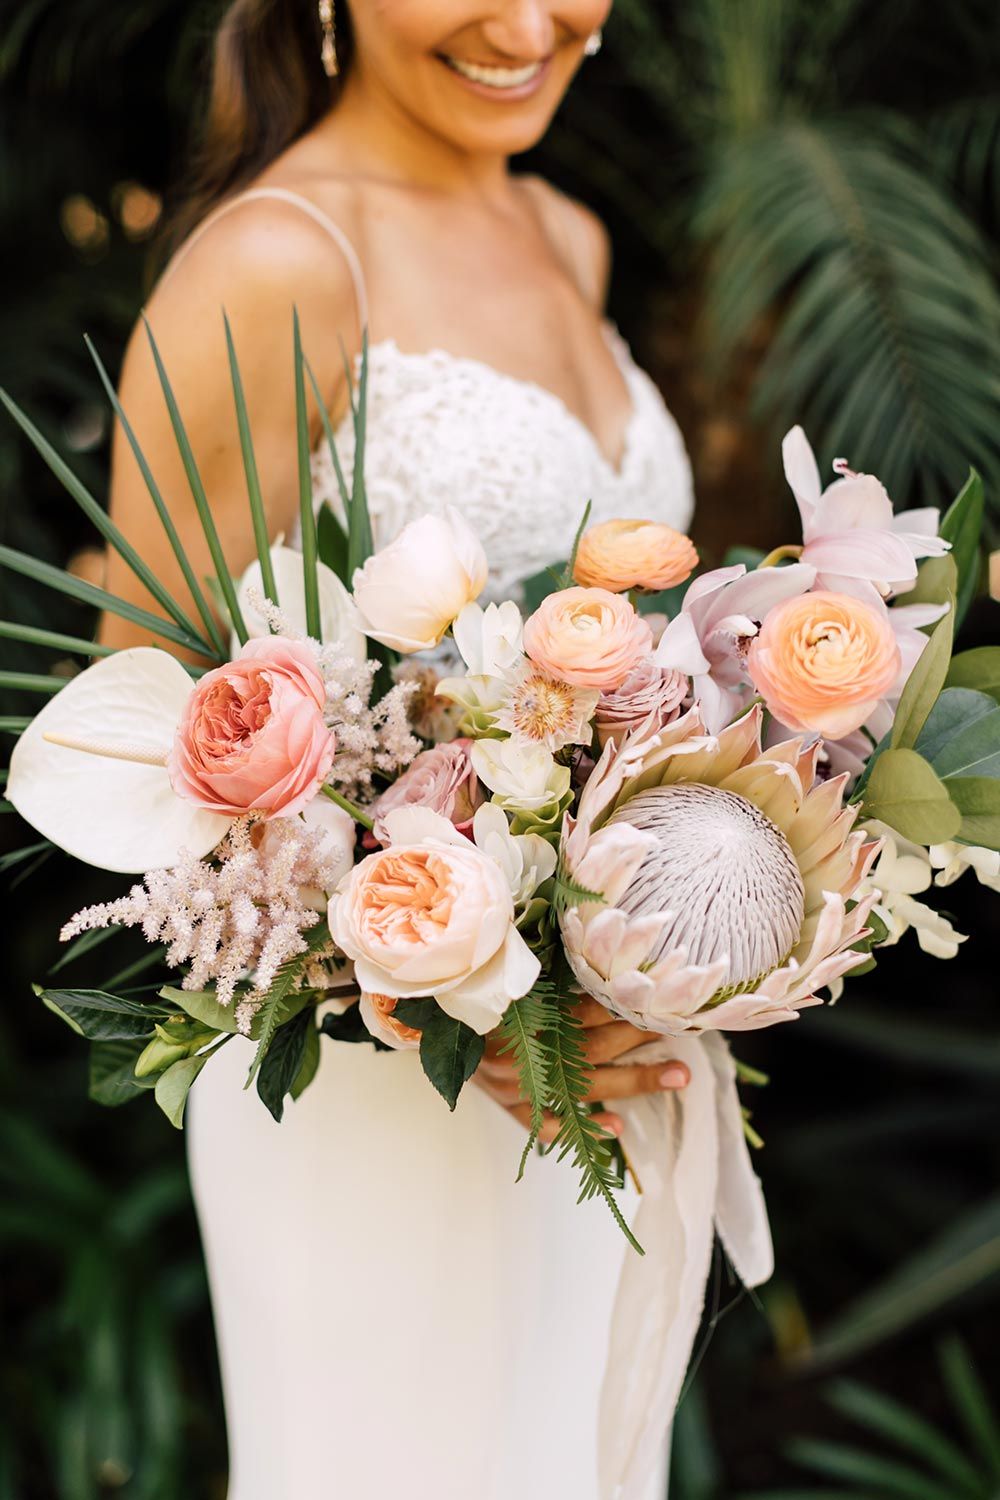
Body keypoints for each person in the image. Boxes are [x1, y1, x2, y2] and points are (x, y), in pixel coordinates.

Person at [103, 2, 697, 1495]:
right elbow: (136, 738)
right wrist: (440, 987)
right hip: (376, 1086)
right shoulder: (280, 259)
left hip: (587, 1075)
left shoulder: (567, 230)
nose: (527, 22)